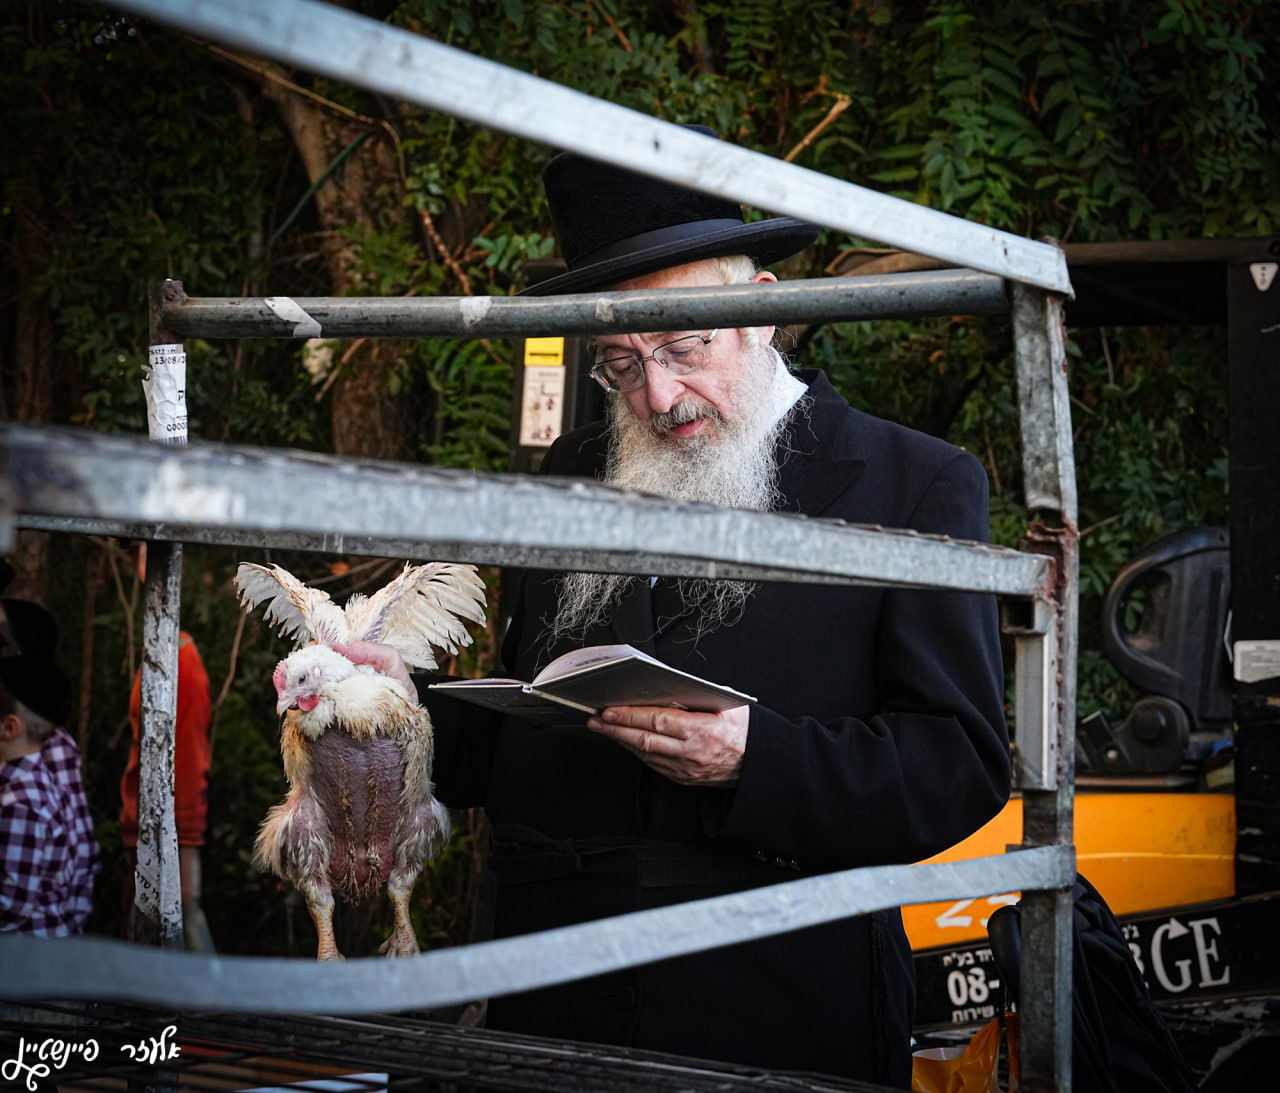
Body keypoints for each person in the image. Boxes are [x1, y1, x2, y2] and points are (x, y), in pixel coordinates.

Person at [346, 128, 1009, 1086]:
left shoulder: (914, 483)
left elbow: (958, 765)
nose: (657, 396)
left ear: (764, 310)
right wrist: (393, 712)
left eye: (683, 346)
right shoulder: (570, 471)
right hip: (554, 1000)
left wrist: (755, 759)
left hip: (772, 997)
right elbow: (525, 739)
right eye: (619, 363)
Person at [118, 542, 216, 951]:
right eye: (141, 552)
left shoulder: (183, 662)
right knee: (145, 925)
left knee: (183, 914)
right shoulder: (157, 650)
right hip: (143, 822)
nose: (144, 563)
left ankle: (209, 991)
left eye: (152, 551)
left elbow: (190, 756)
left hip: (171, 826)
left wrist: (185, 836)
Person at [0, 655, 99, 935]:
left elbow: (10, 905)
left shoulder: (21, 804)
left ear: (8, 728)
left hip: (26, 951)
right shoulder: (37, 782)